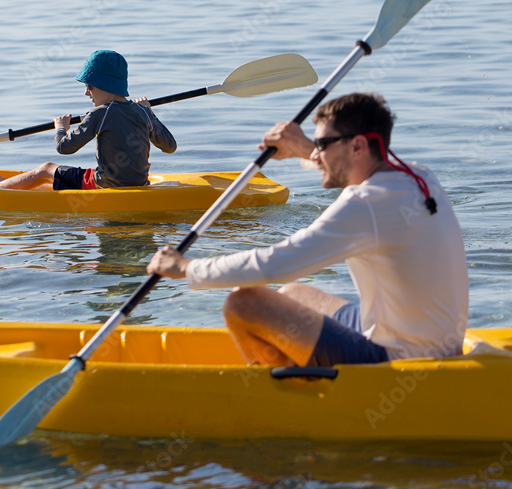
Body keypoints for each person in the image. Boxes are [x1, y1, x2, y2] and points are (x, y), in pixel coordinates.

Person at [146, 92, 468, 366]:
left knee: (243, 302)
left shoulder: (365, 203)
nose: (318, 151)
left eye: (323, 143)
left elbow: (276, 263)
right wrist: (304, 149)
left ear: (357, 147)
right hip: (417, 335)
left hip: (400, 357)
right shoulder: (418, 176)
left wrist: (188, 268)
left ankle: (291, 399)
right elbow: (346, 169)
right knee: (294, 295)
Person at [0, 50, 177, 191]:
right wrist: (150, 113)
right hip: (139, 184)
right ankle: (0, 183)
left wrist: (60, 129)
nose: (86, 93)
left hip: (105, 185)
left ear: (104, 85)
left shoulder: (100, 114)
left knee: (45, 169)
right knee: (55, 181)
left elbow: (65, 148)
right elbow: (170, 147)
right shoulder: (142, 111)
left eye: (89, 85)